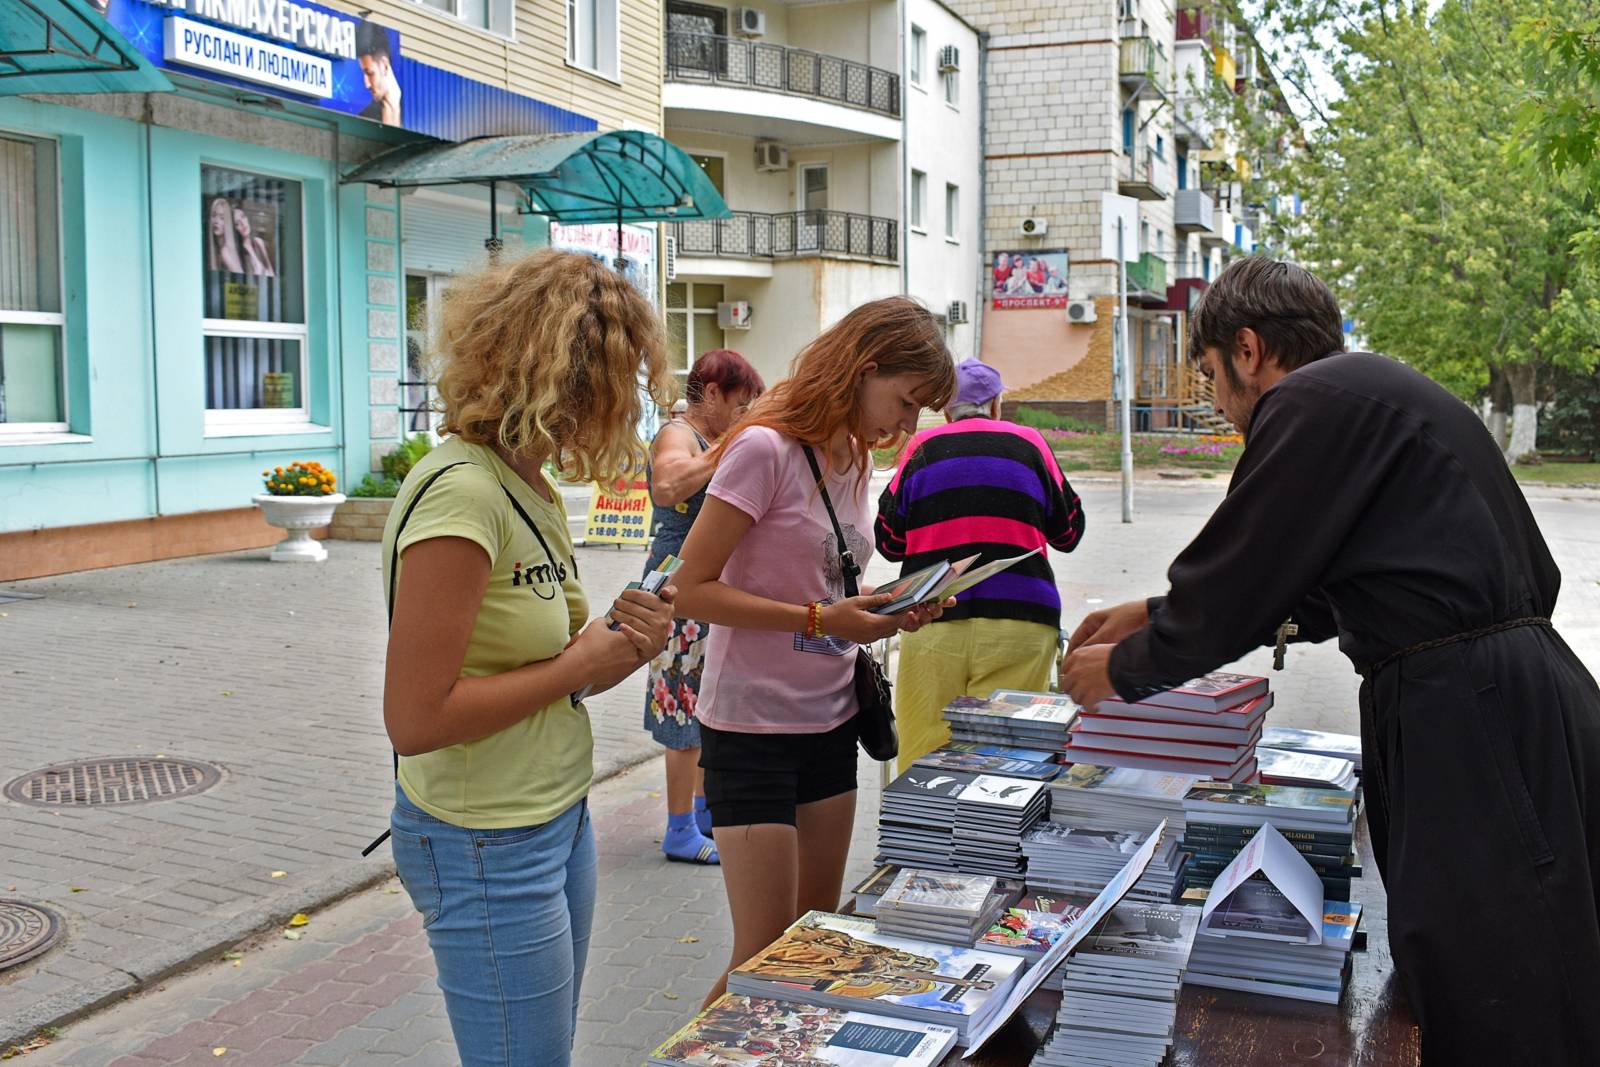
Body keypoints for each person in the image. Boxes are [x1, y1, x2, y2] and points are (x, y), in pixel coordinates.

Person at [1058, 256, 1600, 1064]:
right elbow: (1308, 580)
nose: (1220, 405)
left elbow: (1246, 571)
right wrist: (1151, 611)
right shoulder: (1362, 393)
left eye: (1209, 374)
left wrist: (1125, 667)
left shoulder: (1306, 402)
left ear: (1247, 349)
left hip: (1471, 707)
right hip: (1482, 693)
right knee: (1483, 952)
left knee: (1504, 971)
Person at [381, 249, 675, 1067]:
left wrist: (610, 646)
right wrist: (580, 667)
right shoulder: (463, 493)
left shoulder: (528, 483)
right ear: (568, 379)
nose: (622, 410)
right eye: (618, 385)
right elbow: (415, 718)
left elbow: (537, 657)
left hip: (552, 814)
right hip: (484, 839)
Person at [673, 297, 958, 1007]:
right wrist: (818, 615)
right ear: (865, 370)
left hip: (830, 720)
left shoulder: (852, 456)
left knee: (813, 940)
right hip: (752, 730)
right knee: (765, 957)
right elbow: (691, 589)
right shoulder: (762, 448)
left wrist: (889, 608)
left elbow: (830, 580)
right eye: (906, 400)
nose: (908, 425)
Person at [875, 358, 1085, 772]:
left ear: (947, 409)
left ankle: (923, 831)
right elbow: (1069, 533)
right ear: (995, 405)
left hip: (932, 619)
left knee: (925, 758)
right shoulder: (1031, 444)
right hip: (1021, 623)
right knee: (1009, 759)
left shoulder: (922, 448)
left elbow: (888, 541)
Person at [643, 348, 766, 865]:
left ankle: (701, 813)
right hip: (676, 593)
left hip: (703, 592)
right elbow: (668, 485)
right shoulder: (679, 434)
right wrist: (732, 445)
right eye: (741, 404)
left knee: (704, 708)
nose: (744, 416)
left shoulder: (711, 439)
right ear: (711, 392)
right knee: (683, 712)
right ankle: (678, 829)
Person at [356, 20, 402, 127]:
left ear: (384, 66)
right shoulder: (364, 120)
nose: (367, 84)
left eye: (370, 73)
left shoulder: (417, 106)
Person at [232, 207, 275, 277]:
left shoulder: (259, 242)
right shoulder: (239, 253)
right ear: (234, 229)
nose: (242, 223)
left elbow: (271, 272)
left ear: (247, 218)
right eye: (237, 223)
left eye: (243, 217)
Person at [205, 196, 244, 274]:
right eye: (214, 215)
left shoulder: (225, 251)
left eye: (222, 218)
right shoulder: (218, 249)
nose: (216, 221)